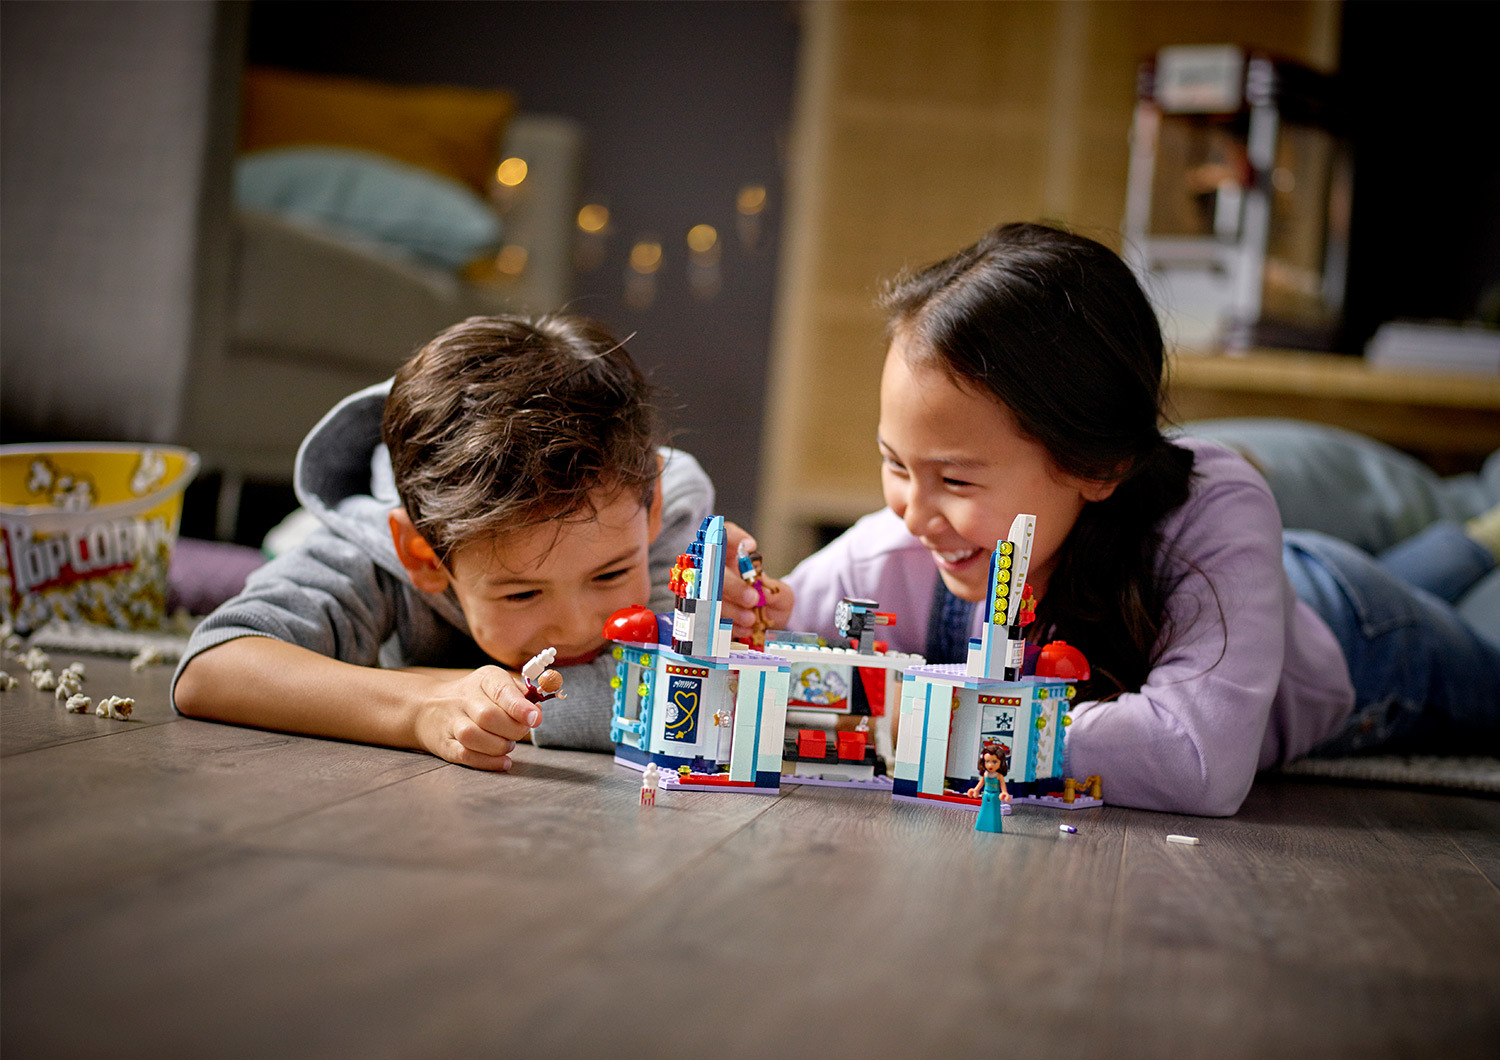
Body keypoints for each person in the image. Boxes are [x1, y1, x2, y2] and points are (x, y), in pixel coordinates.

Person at [771, 222, 1500, 816]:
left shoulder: (1219, 505)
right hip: (1269, 589)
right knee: (1441, 562)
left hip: (1356, 632)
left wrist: (938, 720)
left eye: (955, 478)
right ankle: (1472, 539)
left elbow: (1197, 761)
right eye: (896, 465)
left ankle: (1480, 531)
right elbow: (766, 653)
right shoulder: (906, 545)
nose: (913, 514)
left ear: (1097, 464)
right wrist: (748, 608)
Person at [172, 314, 715, 770]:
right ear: (423, 558)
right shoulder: (374, 550)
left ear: (652, 509)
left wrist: (417, 682)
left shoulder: (646, 508)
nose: (577, 627)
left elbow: (683, 700)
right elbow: (211, 670)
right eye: (522, 592)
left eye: (611, 574)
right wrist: (421, 705)